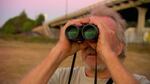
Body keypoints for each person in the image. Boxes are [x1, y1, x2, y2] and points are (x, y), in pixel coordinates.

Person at [20, 4, 150, 84]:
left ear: (119, 47)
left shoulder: (138, 81)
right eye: (87, 33)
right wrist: (60, 50)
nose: (90, 44)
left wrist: (107, 54)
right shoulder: (61, 77)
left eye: (101, 35)